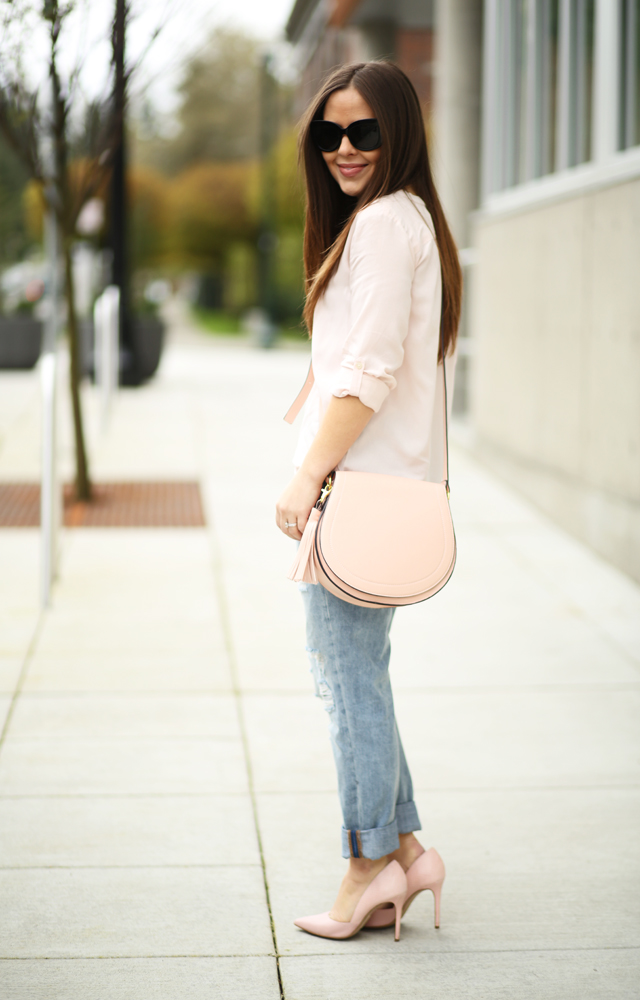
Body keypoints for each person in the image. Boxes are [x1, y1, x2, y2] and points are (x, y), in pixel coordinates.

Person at [276, 61, 462, 941]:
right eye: (330, 133)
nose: (344, 149)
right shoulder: (401, 218)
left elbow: (370, 371)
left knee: (345, 681)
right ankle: (410, 849)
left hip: (358, 490)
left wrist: (308, 474)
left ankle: (365, 867)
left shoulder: (387, 223)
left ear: (400, 135)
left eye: (364, 132)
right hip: (376, 485)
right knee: (361, 676)